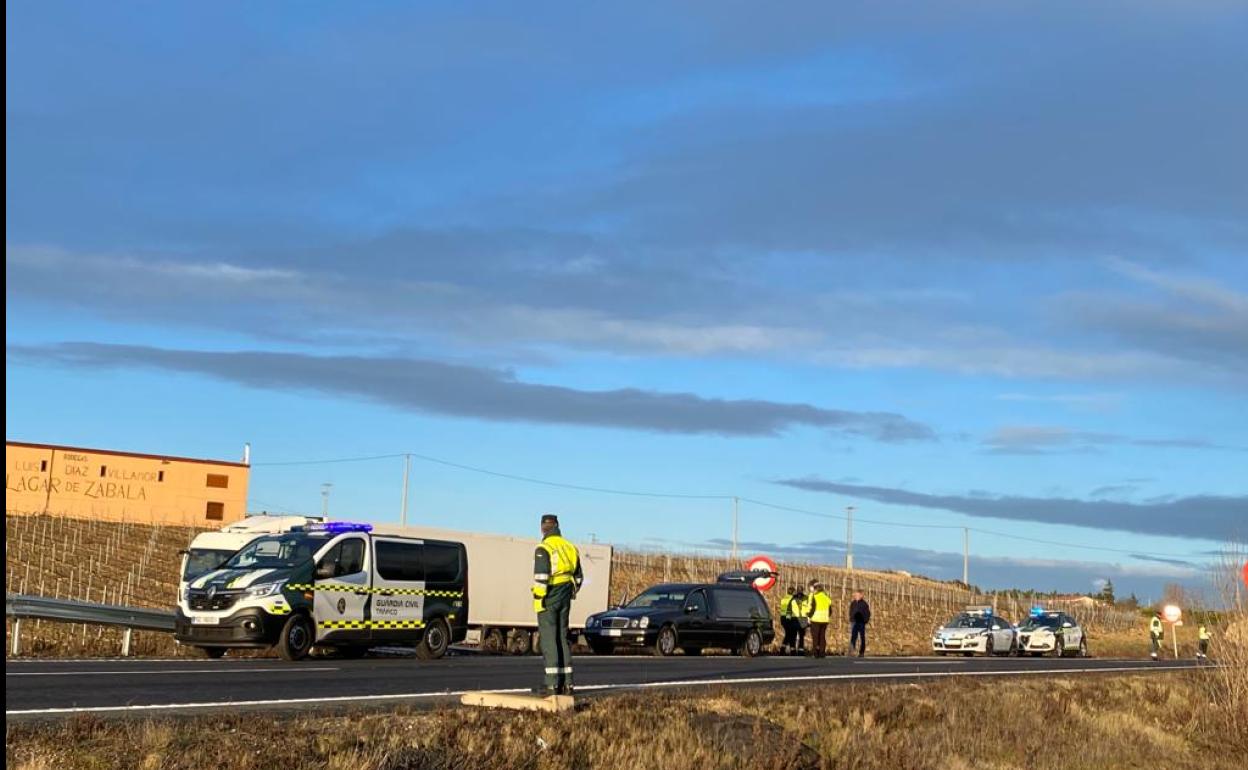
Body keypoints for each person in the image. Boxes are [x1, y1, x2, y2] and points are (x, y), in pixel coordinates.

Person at [532, 513, 583, 695]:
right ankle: (567, 683)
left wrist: (539, 599)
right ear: (557, 526)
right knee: (562, 638)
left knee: (549, 639)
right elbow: (578, 578)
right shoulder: (570, 547)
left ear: (542, 528)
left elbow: (541, 578)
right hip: (565, 597)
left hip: (549, 597)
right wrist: (570, 592)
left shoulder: (543, 548)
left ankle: (551, 684)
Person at [806, 582, 832, 658]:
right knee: (822, 636)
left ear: (816, 589)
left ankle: (815, 653)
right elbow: (830, 610)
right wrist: (827, 616)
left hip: (816, 619)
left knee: (815, 637)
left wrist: (809, 616)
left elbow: (813, 608)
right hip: (825, 620)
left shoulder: (815, 596)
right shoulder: (826, 597)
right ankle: (822, 652)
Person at [849, 590, 871, 658]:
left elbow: (868, 613)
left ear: (861, 596)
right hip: (854, 622)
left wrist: (865, 621)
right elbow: (850, 611)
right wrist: (851, 618)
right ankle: (852, 652)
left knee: (862, 637)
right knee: (853, 637)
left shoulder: (864, 604)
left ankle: (861, 652)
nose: (856, 596)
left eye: (858, 595)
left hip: (861, 622)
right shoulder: (853, 603)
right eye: (855, 595)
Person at [779, 586, 798, 654]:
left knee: (788, 634)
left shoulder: (783, 599)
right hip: (790, 618)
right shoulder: (793, 600)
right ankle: (790, 650)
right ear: (793, 592)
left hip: (783, 618)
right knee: (791, 634)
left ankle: (785, 649)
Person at [792, 585, 809, 655]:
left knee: (795, 635)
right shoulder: (806, 598)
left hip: (796, 618)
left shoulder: (793, 598)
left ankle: (794, 651)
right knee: (801, 635)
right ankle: (800, 651)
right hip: (802, 618)